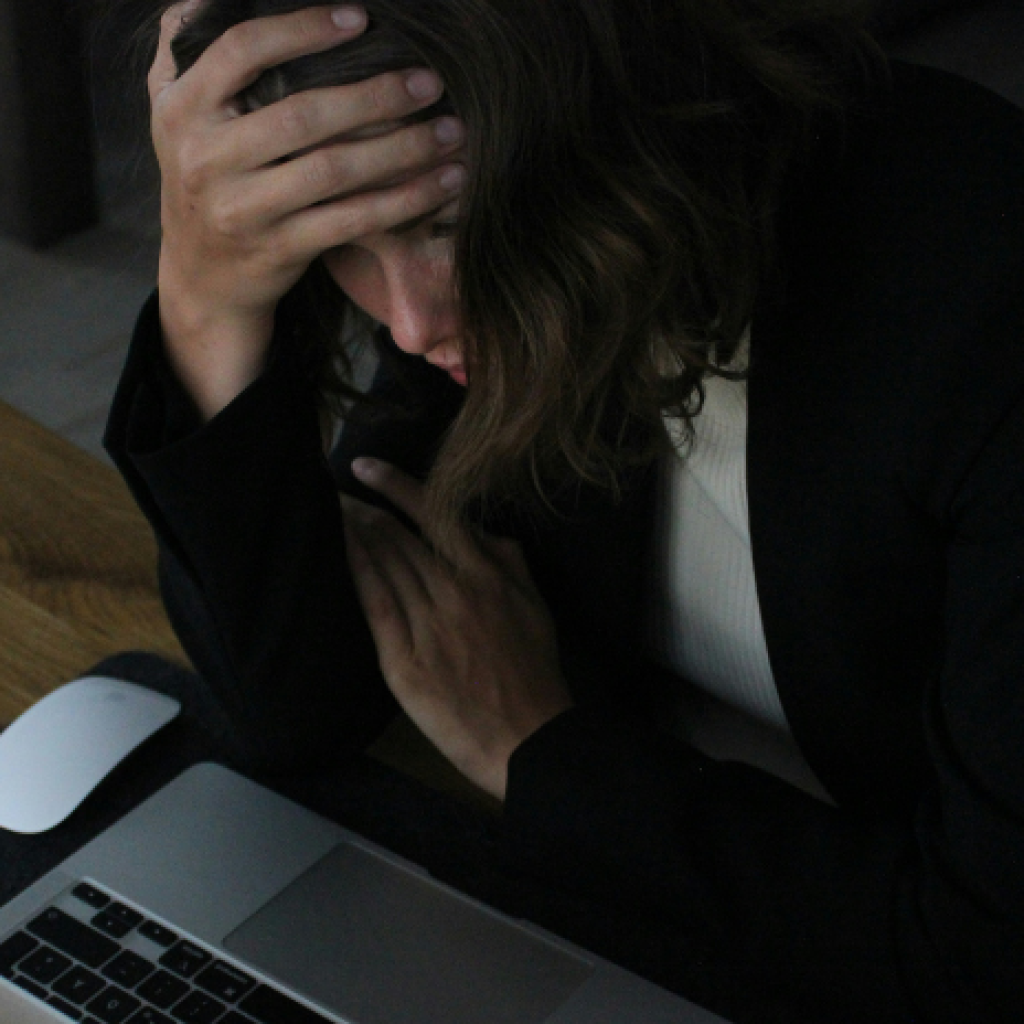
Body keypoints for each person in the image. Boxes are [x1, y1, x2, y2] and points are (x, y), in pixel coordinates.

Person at [103, 0, 1024, 1020]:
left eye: (440, 229)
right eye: (340, 246)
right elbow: (300, 698)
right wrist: (206, 295)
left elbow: (976, 963)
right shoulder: (501, 253)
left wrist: (537, 750)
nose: (407, 322)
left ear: (596, 117)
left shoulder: (978, 318)